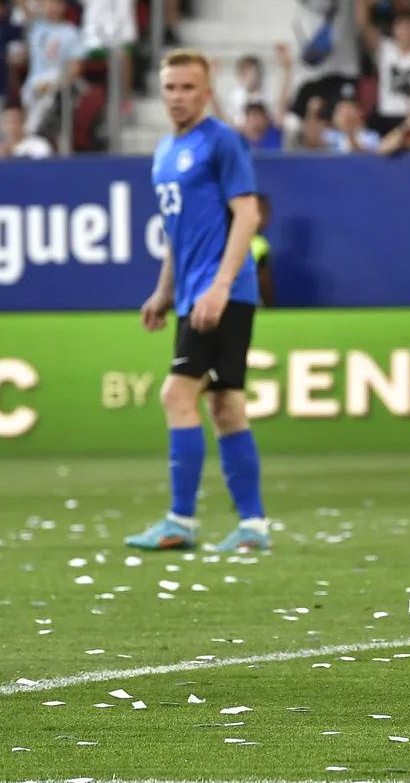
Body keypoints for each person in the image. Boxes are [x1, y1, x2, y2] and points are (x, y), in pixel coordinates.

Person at [128, 49, 269, 554]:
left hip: (222, 290)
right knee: (225, 404)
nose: (177, 96)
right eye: (169, 87)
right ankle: (253, 526)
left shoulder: (222, 142)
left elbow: (248, 215)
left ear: (206, 92)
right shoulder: (164, 151)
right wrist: (166, 291)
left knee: (175, 394)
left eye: (188, 87)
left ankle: (179, 521)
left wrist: (221, 285)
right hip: (194, 292)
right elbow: (176, 233)